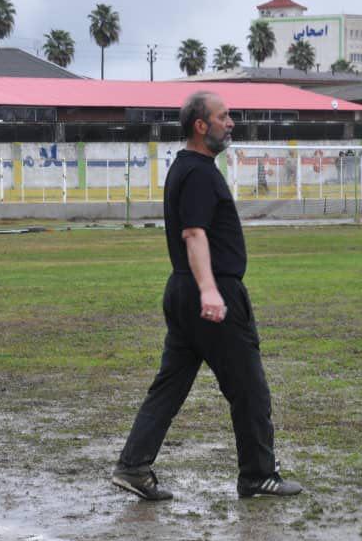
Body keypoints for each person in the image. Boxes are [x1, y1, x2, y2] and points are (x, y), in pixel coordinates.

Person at [110, 90, 303, 501]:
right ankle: (258, 474)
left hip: (183, 291)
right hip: (207, 294)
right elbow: (193, 234)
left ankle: (133, 466)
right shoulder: (198, 172)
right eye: (223, 116)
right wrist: (211, 291)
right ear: (201, 125)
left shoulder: (188, 168)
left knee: (170, 387)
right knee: (249, 387)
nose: (230, 122)